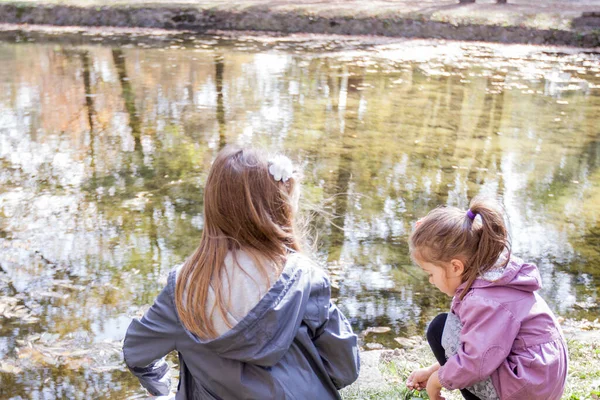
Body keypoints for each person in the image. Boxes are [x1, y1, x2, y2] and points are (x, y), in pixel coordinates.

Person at [122, 146, 360, 399]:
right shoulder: (304, 278)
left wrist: (163, 388)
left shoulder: (184, 288)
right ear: (280, 205)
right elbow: (345, 368)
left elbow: (137, 354)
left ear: (213, 206)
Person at [406, 197, 568, 400]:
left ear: (456, 267)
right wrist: (433, 370)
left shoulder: (483, 300)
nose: (430, 281)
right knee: (446, 327)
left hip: (525, 388)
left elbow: (476, 361)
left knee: (439, 328)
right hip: (537, 379)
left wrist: (437, 381)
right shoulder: (492, 276)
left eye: (430, 273)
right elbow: (486, 347)